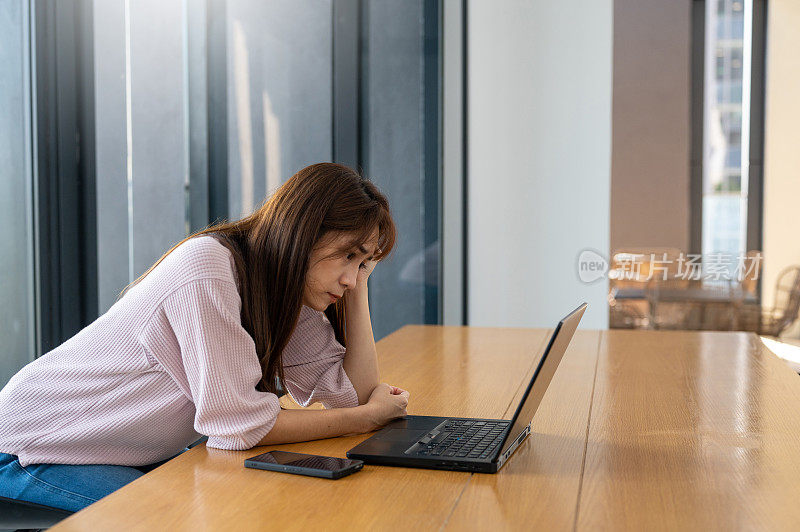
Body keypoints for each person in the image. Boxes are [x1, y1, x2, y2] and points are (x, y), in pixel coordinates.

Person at [0, 162, 409, 512]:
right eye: (348, 255)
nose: (350, 278)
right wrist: (366, 418)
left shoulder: (286, 292)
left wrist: (359, 289)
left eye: (364, 263)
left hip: (115, 451)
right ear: (305, 233)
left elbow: (353, 393)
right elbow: (240, 428)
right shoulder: (208, 268)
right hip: (34, 449)